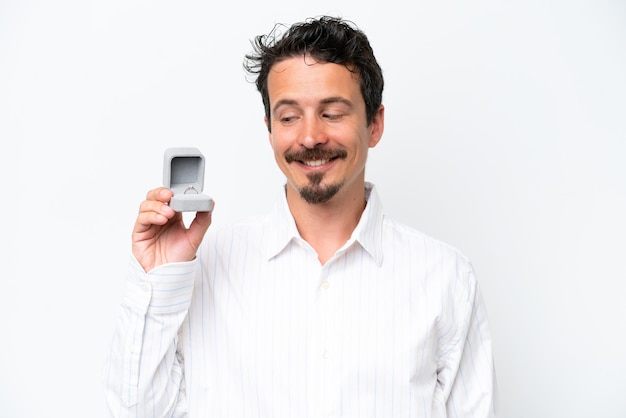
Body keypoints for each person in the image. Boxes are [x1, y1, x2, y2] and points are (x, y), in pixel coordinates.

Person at [104, 15, 498, 417]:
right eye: (289, 117)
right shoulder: (205, 265)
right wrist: (161, 278)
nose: (310, 137)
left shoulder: (446, 277)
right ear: (270, 129)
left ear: (374, 124)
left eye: (332, 113)